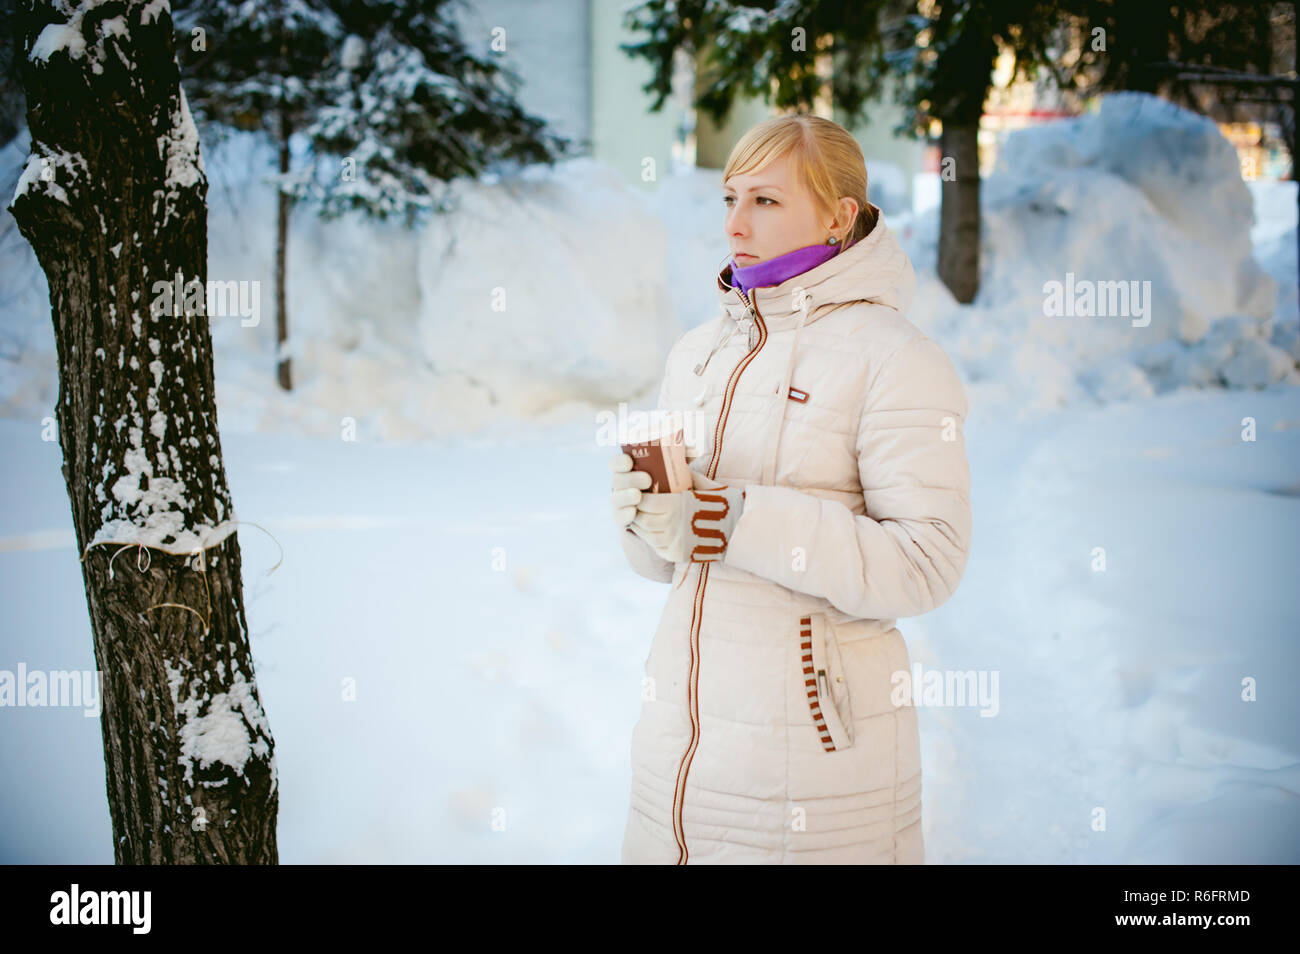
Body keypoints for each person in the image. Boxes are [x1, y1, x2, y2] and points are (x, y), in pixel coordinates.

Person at [609, 113, 972, 864]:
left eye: (766, 201)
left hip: (817, 777)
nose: (736, 222)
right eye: (730, 198)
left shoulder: (895, 359)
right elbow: (667, 564)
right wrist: (645, 513)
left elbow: (926, 561)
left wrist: (736, 519)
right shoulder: (699, 352)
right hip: (677, 766)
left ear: (839, 217)